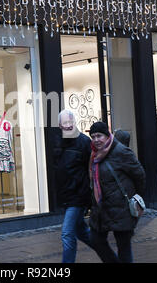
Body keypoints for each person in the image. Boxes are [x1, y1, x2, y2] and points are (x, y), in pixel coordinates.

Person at [88, 122, 146, 263]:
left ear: (107, 136)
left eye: (99, 136)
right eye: (93, 136)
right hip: (102, 209)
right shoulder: (94, 155)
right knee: (95, 240)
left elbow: (140, 175)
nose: (96, 140)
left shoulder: (121, 152)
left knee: (123, 247)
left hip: (122, 208)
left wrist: (135, 196)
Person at [53, 109, 93, 263]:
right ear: (59, 125)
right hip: (66, 196)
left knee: (67, 233)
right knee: (82, 232)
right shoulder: (57, 141)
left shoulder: (84, 142)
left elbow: (91, 169)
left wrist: (87, 194)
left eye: (71, 122)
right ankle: (109, 255)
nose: (69, 126)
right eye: (65, 123)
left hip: (78, 196)